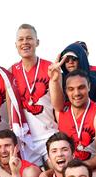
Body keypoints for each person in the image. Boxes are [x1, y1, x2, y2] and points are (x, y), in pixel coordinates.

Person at [11, 24, 58, 165]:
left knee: (57, 174)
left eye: (29, 38)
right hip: (26, 139)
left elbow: (58, 105)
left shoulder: (50, 67)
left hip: (49, 134)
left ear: (37, 42)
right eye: (21, 39)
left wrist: (55, 81)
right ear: (16, 44)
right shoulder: (11, 71)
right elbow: (10, 109)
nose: (25, 42)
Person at [49, 65, 96, 169]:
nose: (76, 93)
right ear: (66, 91)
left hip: (92, 170)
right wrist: (54, 80)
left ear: (89, 87)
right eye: (71, 89)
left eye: (81, 87)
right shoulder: (61, 111)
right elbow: (55, 99)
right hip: (67, 169)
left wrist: (80, 167)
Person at [59, 42, 96, 106]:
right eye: (66, 59)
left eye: (74, 59)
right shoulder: (59, 79)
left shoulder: (94, 80)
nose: (70, 62)